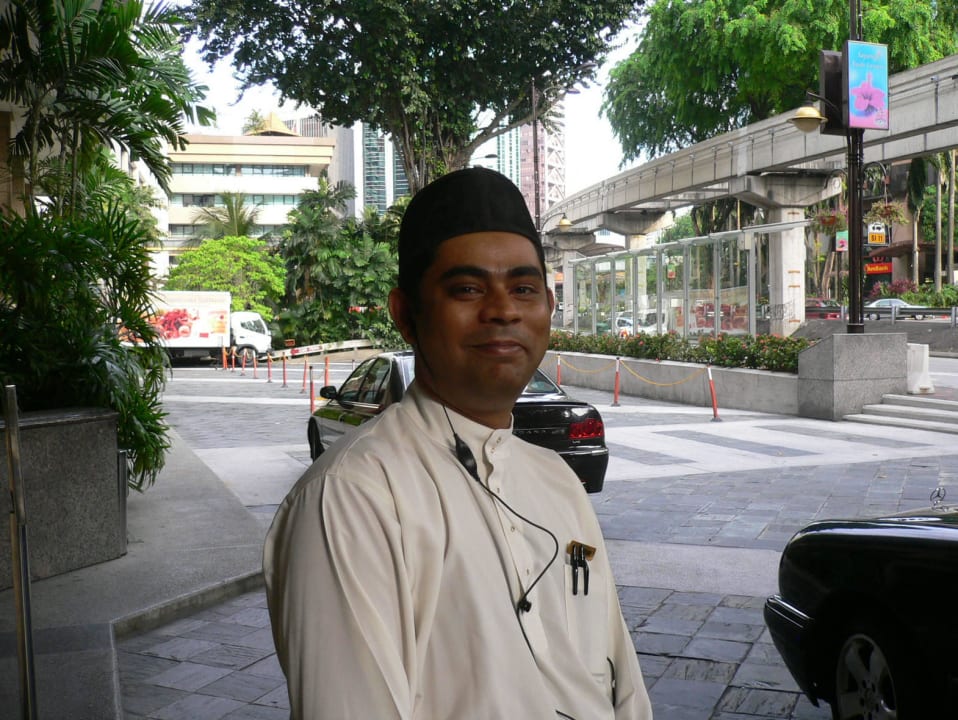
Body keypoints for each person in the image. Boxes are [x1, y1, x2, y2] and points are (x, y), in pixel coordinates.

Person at [264, 167, 653, 719]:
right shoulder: (353, 499)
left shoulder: (559, 483)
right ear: (406, 315)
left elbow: (622, 683)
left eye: (524, 288)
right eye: (468, 289)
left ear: (548, 307)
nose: (503, 309)